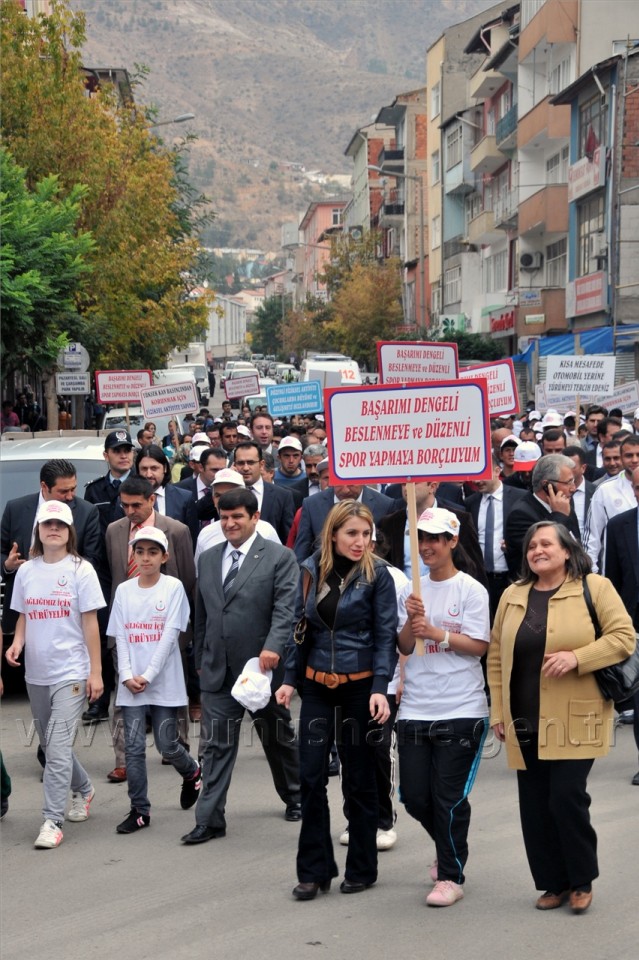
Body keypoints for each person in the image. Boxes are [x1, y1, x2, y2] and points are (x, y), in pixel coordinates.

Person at [488, 521, 635, 912]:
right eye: (531, 546)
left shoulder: (594, 587)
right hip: (524, 717)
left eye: (546, 544)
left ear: (567, 550)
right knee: (535, 804)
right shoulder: (512, 595)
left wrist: (577, 657)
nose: (537, 550)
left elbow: (624, 637)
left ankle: (581, 879)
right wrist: (498, 711)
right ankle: (553, 883)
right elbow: (497, 657)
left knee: (566, 797)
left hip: (577, 715)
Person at [276, 501, 398, 900]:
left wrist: (380, 686)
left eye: (366, 534)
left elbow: (385, 636)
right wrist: (289, 680)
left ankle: (362, 866)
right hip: (316, 687)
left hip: (359, 688)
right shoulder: (311, 569)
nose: (361, 542)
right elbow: (299, 628)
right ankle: (315, 870)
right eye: (352, 534)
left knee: (359, 780)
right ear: (332, 534)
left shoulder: (378, 575)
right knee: (311, 777)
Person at [181, 487, 302, 845]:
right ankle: (209, 819)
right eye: (224, 517)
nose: (230, 523)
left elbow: (285, 607)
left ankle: (296, 795)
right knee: (216, 745)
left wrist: (273, 647)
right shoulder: (208, 558)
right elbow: (202, 613)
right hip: (217, 669)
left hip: (260, 669)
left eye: (237, 517)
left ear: (255, 517)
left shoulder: (279, 557)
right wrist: (200, 658)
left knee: (277, 737)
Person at [396, 508, 490, 908]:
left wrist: (437, 633)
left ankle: (451, 875)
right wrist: (411, 620)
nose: (427, 546)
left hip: (461, 707)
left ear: (452, 541)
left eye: (435, 538)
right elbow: (404, 645)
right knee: (415, 796)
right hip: (416, 708)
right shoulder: (412, 589)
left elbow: (479, 646)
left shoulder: (471, 589)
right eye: (421, 538)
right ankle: (449, 846)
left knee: (448, 797)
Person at [5, 500, 105, 848]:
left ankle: (51, 820)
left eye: (60, 525)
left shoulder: (81, 570)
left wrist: (96, 672)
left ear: (69, 531)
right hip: (37, 671)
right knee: (50, 745)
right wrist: (17, 642)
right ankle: (84, 788)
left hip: (71, 671)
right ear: (38, 529)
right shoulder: (27, 572)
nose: (53, 529)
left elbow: (90, 624)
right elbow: (24, 614)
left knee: (58, 747)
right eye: (47, 524)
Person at [107, 527, 202, 834]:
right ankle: (139, 810)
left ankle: (192, 772)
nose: (145, 558)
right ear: (132, 555)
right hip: (131, 683)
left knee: (167, 745)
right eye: (140, 552)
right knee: (133, 748)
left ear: (165, 556)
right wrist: (126, 675)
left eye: (152, 552)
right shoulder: (124, 591)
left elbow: (170, 637)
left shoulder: (173, 588)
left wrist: (147, 675)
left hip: (162, 680)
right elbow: (121, 636)